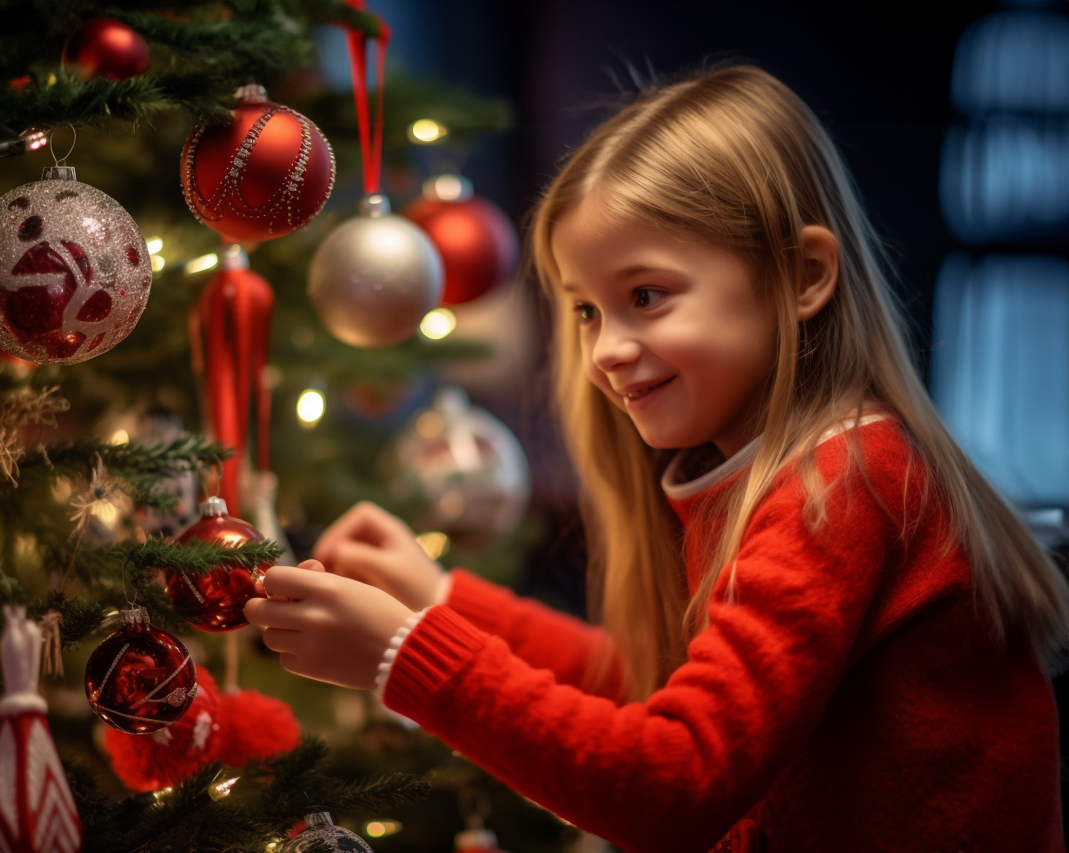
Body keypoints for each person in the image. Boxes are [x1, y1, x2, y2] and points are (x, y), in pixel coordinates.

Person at [243, 63, 1069, 853]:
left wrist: (407, 654)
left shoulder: (846, 481)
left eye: (645, 296)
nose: (605, 349)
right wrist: (445, 601)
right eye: (587, 311)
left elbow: (671, 780)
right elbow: (648, 688)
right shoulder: (769, 472)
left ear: (804, 274)